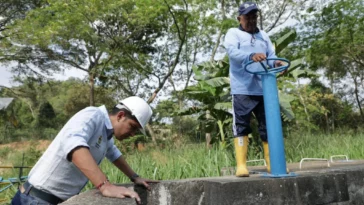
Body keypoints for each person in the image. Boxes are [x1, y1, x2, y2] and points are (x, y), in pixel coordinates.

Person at [11, 96, 158, 204]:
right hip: (34, 199)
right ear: (120, 116)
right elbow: (73, 143)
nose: (132, 134)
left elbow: (113, 154)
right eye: (132, 127)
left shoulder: (106, 135)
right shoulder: (93, 115)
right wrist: (104, 186)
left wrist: (135, 177)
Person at [224, 2, 284, 177]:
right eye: (247, 16)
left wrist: (277, 63)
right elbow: (232, 53)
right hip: (242, 89)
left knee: (268, 126)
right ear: (239, 18)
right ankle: (242, 165)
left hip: (264, 88)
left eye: (254, 16)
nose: (251, 20)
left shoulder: (263, 35)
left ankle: (272, 163)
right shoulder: (233, 34)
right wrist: (251, 56)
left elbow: (271, 56)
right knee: (241, 125)